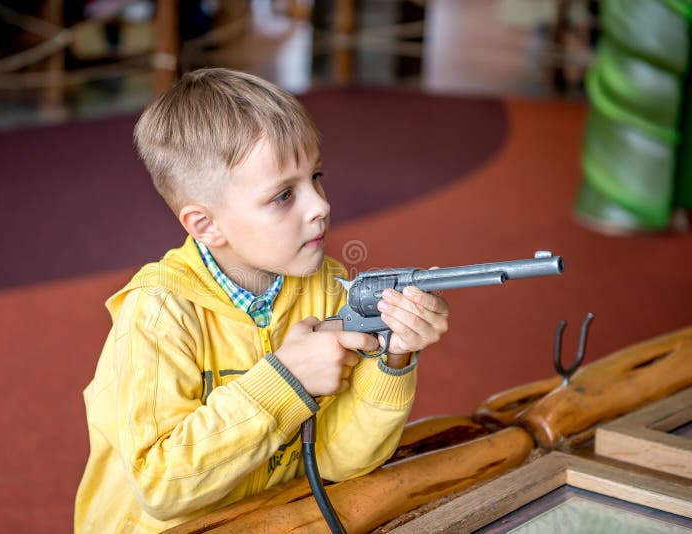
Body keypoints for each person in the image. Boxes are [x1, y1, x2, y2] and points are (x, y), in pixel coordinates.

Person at [74, 68, 450, 533]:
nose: (320, 206)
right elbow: (160, 487)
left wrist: (395, 359)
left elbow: (337, 460)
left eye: (316, 176)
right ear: (205, 225)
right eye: (284, 195)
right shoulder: (157, 315)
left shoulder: (326, 288)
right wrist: (287, 380)